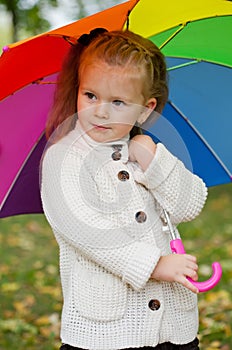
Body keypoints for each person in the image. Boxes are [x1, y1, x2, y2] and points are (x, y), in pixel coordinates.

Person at [40, 28, 207, 350]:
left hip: (173, 325)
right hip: (106, 331)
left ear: (145, 109)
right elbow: (87, 232)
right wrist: (155, 265)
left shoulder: (146, 152)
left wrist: (153, 158)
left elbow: (189, 205)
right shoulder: (65, 159)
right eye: (90, 95)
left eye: (117, 102)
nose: (99, 111)